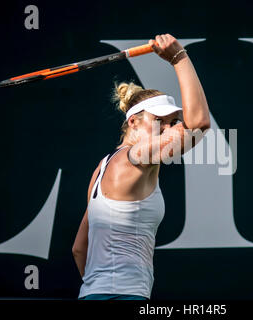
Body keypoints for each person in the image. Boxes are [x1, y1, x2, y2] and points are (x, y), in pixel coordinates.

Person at [72, 33, 210, 300]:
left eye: (172, 121)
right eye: (160, 120)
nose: (169, 129)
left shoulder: (100, 169)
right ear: (133, 122)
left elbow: (80, 248)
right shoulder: (139, 156)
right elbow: (200, 123)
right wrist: (179, 57)